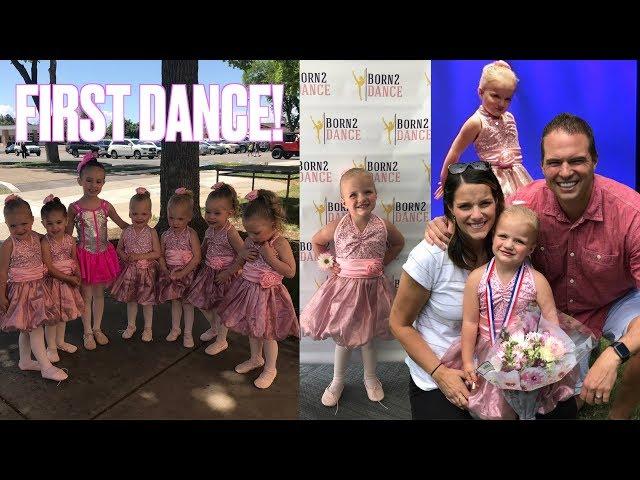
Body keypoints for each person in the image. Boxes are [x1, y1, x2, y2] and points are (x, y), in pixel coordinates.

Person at [425, 113, 640, 419]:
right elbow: (479, 217)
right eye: (554, 162)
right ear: (541, 167)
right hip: (551, 314)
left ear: (594, 160)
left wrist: (615, 352)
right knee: (561, 404)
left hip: (613, 301)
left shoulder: (631, 212)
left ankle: (618, 416)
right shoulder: (523, 204)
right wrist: (442, 223)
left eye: (576, 160)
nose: (565, 172)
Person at [443, 205, 576, 420]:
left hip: (523, 354)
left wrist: (550, 357)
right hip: (486, 352)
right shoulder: (477, 278)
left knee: (525, 402)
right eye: (503, 236)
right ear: (493, 236)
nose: (508, 245)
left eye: (519, 241)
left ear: (531, 249)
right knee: (496, 407)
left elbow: (552, 321)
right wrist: (467, 361)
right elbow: (469, 323)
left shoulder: (537, 281)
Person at [300, 168, 405, 407]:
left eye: (367, 192)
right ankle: (337, 380)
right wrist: (329, 264)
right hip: (343, 290)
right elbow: (317, 241)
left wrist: (383, 261)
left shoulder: (382, 225)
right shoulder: (337, 225)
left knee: (369, 338)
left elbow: (398, 242)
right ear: (343, 201)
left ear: (376, 194)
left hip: (373, 290)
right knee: (343, 338)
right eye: (353, 195)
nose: (361, 199)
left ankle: (371, 377)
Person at [218, 189, 298, 389]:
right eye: (248, 232)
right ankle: (256, 358)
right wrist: (233, 267)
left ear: (273, 223)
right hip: (248, 291)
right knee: (253, 330)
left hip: (269, 295)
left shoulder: (279, 243)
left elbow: (290, 272)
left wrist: (270, 258)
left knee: (268, 333)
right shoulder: (250, 240)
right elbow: (240, 260)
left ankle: (271, 368)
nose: (251, 236)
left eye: (256, 232)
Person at [434, 61, 533, 200]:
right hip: (494, 181)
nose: (501, 104)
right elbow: (455, 151)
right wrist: (446, 182)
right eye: (495, 96)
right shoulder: (476, 122)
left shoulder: (509, 117)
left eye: (507, 99)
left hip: (519, 178)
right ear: (481, 92)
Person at [0, 195, 68, 382]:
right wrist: (1, 295)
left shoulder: (39, 238)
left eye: (24, 224)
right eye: (13, 226)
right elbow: (2, 272)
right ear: (6, 224)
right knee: (35, 327)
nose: (19, 229)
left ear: (32, 220)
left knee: (27, 329)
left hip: (39, 289)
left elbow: (53, 246)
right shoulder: (8, 244)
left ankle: (25, 360)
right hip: (22, 292)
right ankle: (46, 366)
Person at [67, 152, 129, 350]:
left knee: (100, 295)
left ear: (103, 183)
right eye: (89, 180)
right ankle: (87, 332)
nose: (94, 185)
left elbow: (123, 224)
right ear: (80, 181)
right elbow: (67, 235)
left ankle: (97, 328)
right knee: (86, 295)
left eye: (99, 181)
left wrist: (142, 229)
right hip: (84, 255)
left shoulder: (105, 206)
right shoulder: (74, 207)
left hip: (103, 255)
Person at [184, 182, 244, 356]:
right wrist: (193, 259)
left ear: (229, 213)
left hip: (226, 276)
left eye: (217, 213)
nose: (210, 216)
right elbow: (203, 248)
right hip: (209, 272)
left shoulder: (230, 232)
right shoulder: (210, 230)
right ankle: (214, 328)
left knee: (221, 309)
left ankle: (221, 340)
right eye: (207, 211)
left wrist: (230, 271)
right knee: (200, 301)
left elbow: (243, 254)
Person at [110, 187, 161, 342]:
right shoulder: (126, 231)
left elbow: (157, 253)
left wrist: (140, 256)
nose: (139, 217)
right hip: (130, 272)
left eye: (144, 214)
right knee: (131, 300)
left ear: (150, 215)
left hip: (146, 272)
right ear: (130, 214)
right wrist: (124, 255)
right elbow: (119, 248)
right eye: (135, 214)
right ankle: (131, 326)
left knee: (146, 302)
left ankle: (148, 328)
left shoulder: (151, 232)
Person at [156, 188, 202, 348]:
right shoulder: (165, 235)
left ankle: (188, 333)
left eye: (180, 219)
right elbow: (160, 255)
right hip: (171, 274)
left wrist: (183, 272)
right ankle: (175, 329)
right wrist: (165, 271)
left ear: (189, 217)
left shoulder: (191, 234)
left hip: (187, 273)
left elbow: (197, 257)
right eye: (171, 218)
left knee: (188, 304)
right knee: (175, 302)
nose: (175, 222)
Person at [40, 195, 84, 362]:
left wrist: (78, 276)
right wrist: (68, 278)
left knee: (63, 314)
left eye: (58, 222)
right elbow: (50, 268)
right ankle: (50, 347)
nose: (54, 227)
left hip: (68, 282)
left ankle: (60, 342)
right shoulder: (45, 242)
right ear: (43, 223)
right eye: (49, 223)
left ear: (66, 221)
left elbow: (74, 260)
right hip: (53, 283)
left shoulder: (70, 239)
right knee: (52, 316)